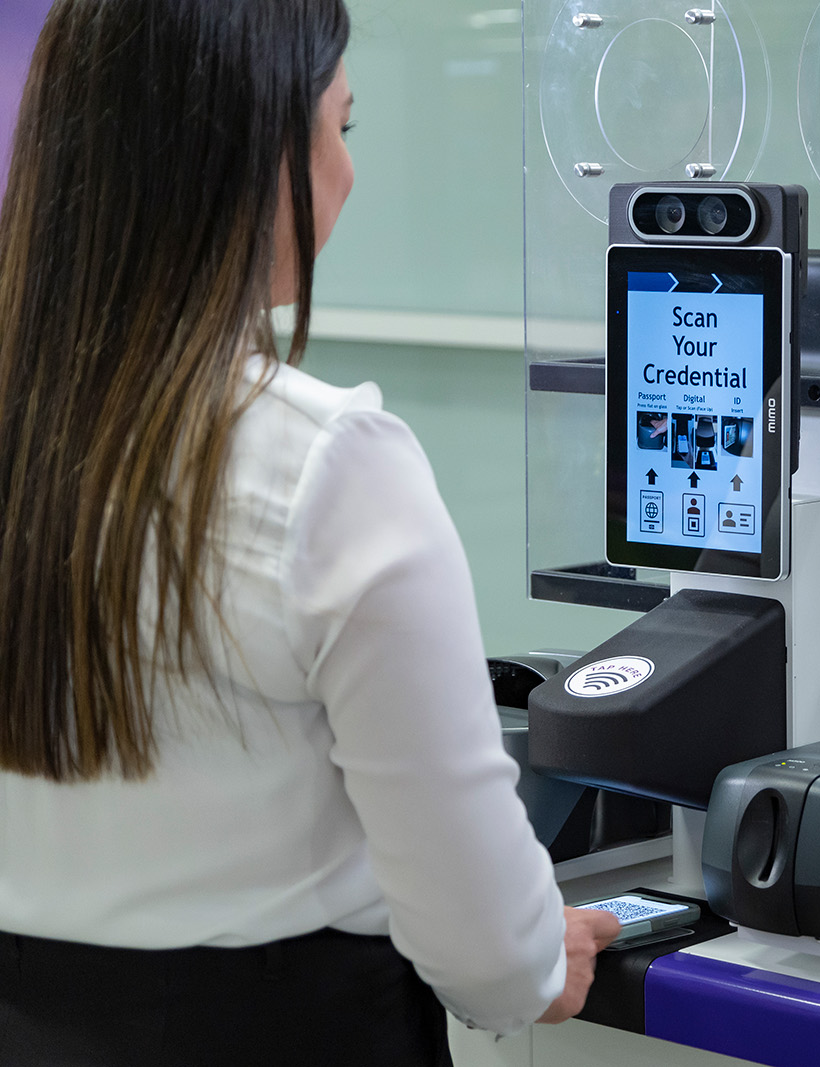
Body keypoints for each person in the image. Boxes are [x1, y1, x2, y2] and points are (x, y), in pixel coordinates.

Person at [0, 2, 617, 1063]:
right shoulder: (328, 465)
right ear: (243, 159)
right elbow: (493, 953)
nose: (344, 171)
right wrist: (534, 956)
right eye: (340, 126)